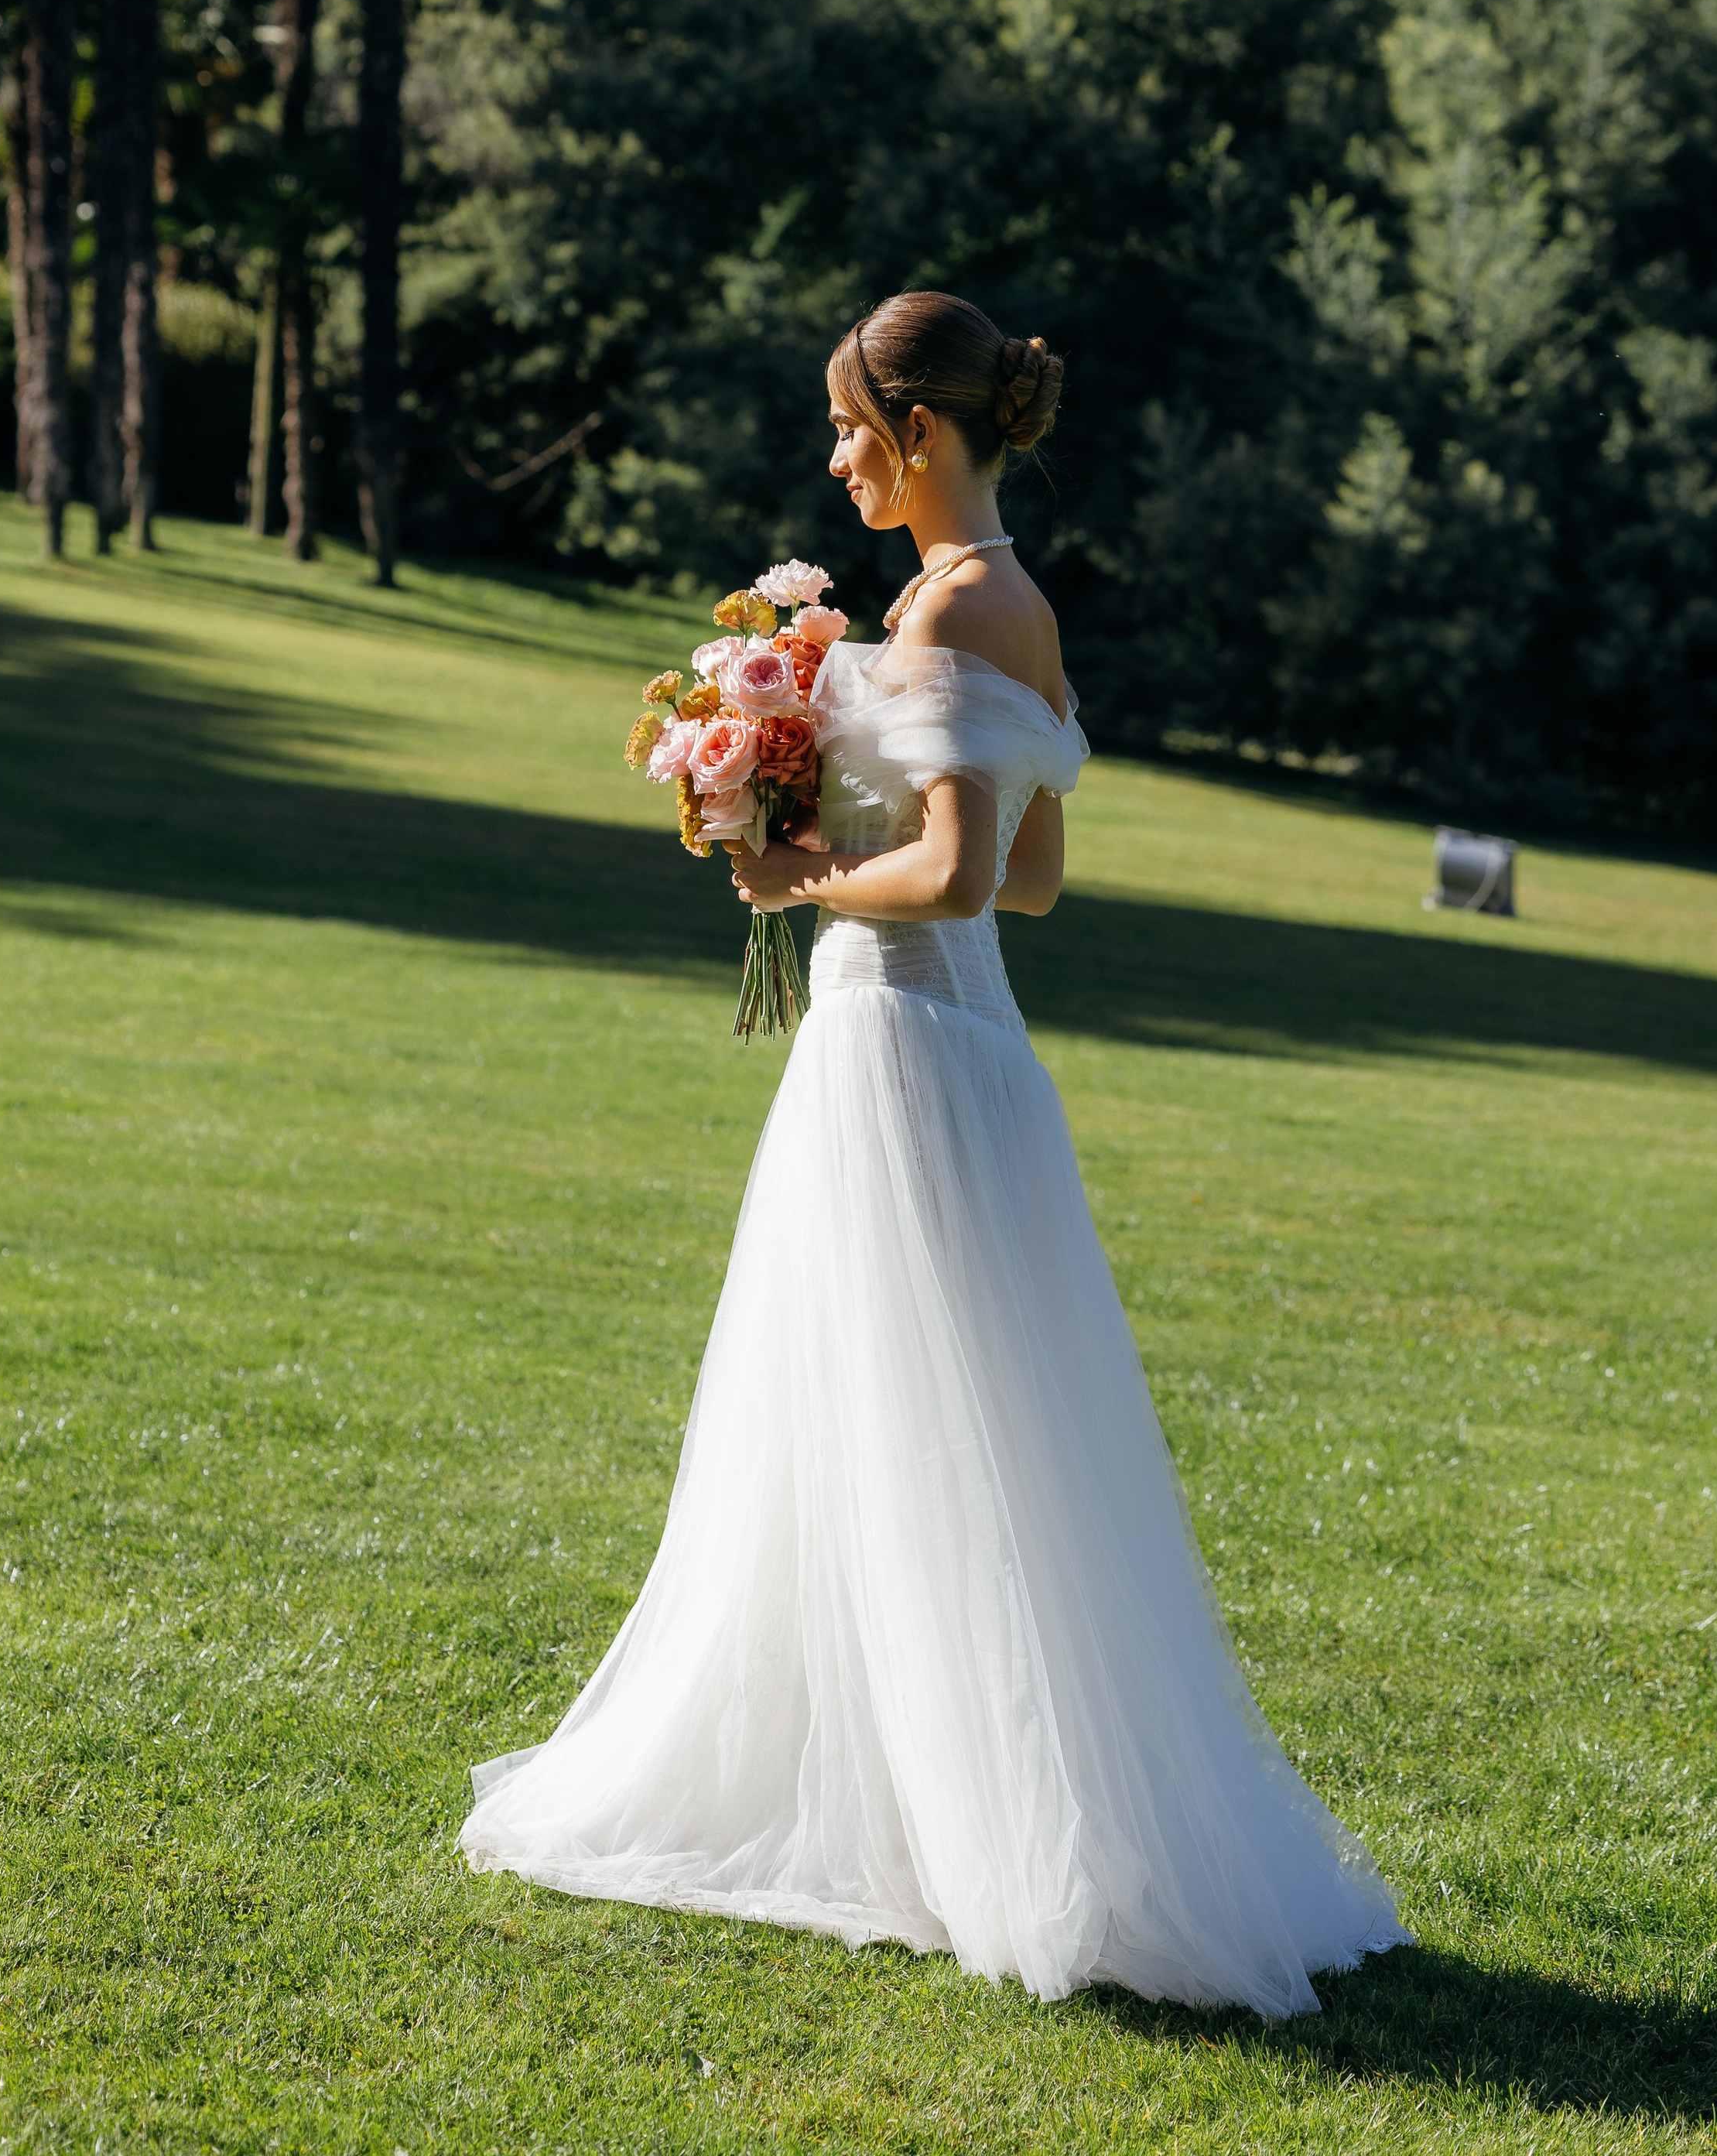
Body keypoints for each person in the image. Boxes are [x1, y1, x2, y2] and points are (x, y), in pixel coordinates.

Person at [460, 290, 1409, 2013]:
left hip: (901, 1032)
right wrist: (808, 789)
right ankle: (935, 1796)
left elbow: (969, 880)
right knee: (916, 1418)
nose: (833, 461)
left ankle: (972, 1829)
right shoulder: (994, 600)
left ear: (916, 428)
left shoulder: (963, 601)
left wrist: (792, 876)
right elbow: (1035, 876)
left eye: (847, 430)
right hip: (938, 1044)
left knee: (917, 1413)